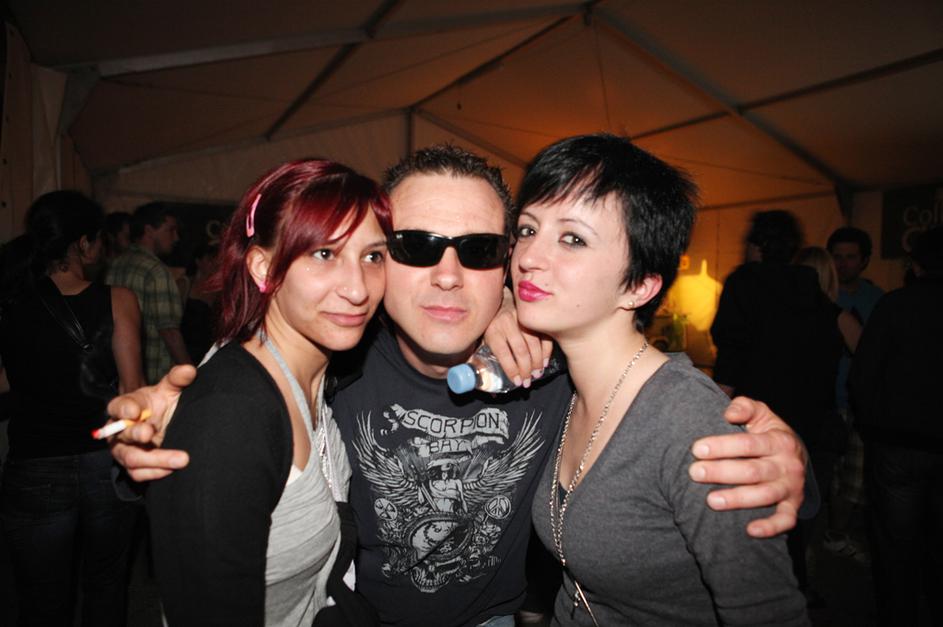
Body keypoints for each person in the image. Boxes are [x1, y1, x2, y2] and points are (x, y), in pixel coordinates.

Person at [108, 144, 809, 627]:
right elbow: (241, 407)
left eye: (478, 250)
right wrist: (167, 415)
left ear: (505, 264)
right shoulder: (339, 355)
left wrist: (786, 453)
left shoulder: (553, 367)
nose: (447, 275)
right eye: (415, 246)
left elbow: (664, 420)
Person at [509, 134, 806, 625]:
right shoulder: (557, 385)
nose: (528, 257)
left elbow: (770, 612)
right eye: (527, 229)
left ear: (639, 286)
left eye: (573, 239)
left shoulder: (688, 422)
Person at [145, 159, 391, 626]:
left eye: (373, 256)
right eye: (324, 254)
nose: (358, 288)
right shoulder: (233, 414)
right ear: (263, 267)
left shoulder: (321, 371)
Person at [0, 190, 143, 627]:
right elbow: (132, 393)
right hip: (104, 462)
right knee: (106, 586)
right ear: (83, 243)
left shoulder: (11, 301)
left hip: (34, 464)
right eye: (98, 239)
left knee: (41, 599)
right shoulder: (118, 299)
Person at [850, 226, 943, 626]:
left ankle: (898, 616)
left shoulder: (895, 305)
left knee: (895, 547)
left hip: (897, 446)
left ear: (916, 265)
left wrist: (873, 428)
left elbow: (864, 374)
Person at [824, 226, 883, 562]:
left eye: (850, 257)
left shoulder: (876, 299)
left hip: (860, 404)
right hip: (825, 402)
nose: (843, 263)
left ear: (864, 261)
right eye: (837, 257)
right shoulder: (822, 297)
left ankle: (836, 534)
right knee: (824, 475)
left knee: (854, 479)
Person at [106, 203, 192, 383]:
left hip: (119, 376)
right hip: (155, 380)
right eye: (170, 230)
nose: (176, 237)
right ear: (149, 230)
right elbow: (170, 332)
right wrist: (192, 376)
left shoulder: (116, 264)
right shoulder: (156, 271)